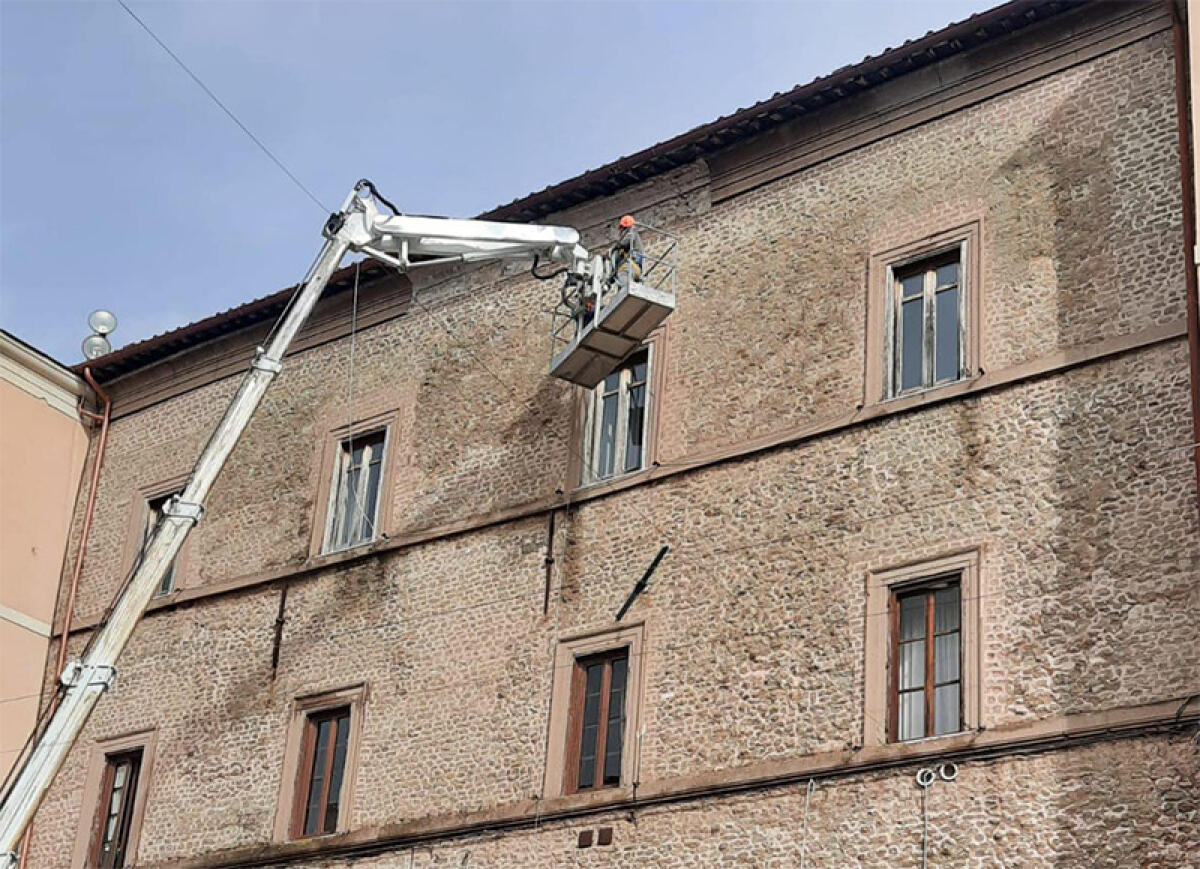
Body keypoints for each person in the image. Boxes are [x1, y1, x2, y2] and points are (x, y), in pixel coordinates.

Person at [610, 215, 644, 293]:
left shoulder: (631, 231)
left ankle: (627, 293)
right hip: (632, 266)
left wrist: (616, 246)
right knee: (620, 280)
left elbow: (624, 242)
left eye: (621, 228)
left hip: (632, 266)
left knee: (622, 274)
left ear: (624, 227)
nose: (620, 231)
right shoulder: (628, 240)